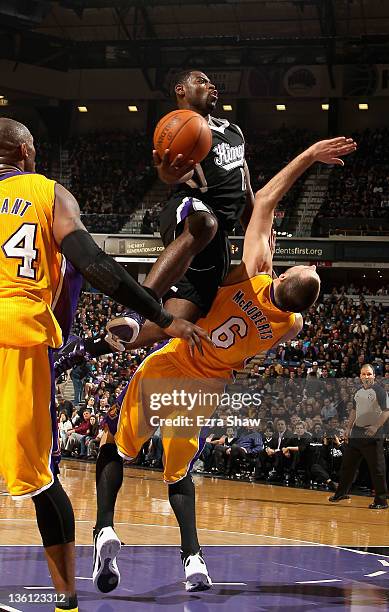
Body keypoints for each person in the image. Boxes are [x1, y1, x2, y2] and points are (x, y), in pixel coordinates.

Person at [91, 136, 355, 595]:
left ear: (283, 275)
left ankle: (105, 528)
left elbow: (267, 198)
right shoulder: (289, 326)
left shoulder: (256, 273)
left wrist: (310, 156)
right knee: (179, 469)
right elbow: (275, 326)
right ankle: (193, 558)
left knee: (118, 447)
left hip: (176, 360)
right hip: (207, 387)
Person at [0, 118, 209, 612]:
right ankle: (67, 598)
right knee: (41, 482)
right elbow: (94, 264)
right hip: (18, 341)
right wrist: (159, 314)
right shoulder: (46, 193)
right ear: (27, 153)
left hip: (30, 343)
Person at [104, 69, 255, 352]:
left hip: (218, 235)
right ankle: (141, 302)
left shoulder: (234, 131)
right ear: (180, 90)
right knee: (204, 224)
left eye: (212, 82)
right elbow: (170, 175)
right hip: (189, 210)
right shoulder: (176, 128)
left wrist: (254, 230)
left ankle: (89, 348)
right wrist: (166, 173)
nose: (212, 86)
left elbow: (245, 186)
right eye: (202, 81)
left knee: (183, 317)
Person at [329, 363, 389, 509]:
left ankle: (381, 501)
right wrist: (348, 428)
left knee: (377, 469)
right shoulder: (358, 391)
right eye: (363, 374)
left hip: (372, 436)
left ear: (374, 375)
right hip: (356, 434)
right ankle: (341, 493)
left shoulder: (380, 391)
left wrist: (375, 427)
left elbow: (387, 411)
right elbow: (354, 411)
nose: (366, 376)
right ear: (360, 376)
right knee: (347, 466)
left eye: (369, 374)